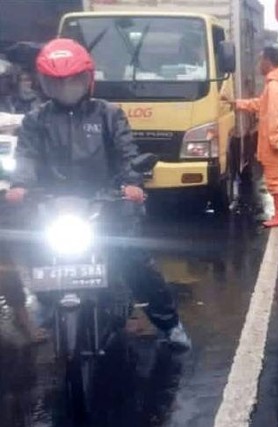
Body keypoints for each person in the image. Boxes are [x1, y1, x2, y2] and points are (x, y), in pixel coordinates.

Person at [3, 38, 191, 351]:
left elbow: (126, 153)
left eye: (73, 80)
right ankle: (48, 303)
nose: (66, 88)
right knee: (35, 250)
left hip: (105, 203)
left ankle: (169, 324)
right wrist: (20, 185)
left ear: (88, 79)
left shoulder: (108, 114)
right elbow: (27, 156)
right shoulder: (36, 120)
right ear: (43, 83)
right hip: (55, 206)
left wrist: (131, 182)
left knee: (135, 262)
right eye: (57, 82)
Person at [225, 46, 278, 227]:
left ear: (267, 60)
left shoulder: (273, 86)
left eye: (260, 60)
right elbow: (262, 105)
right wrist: (239, 104)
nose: (259, 64)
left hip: (277, 143)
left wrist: (274, 141)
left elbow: (273, 115)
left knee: (277, 180)